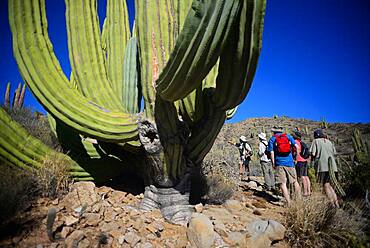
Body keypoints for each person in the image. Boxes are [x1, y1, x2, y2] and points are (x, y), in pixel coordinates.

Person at [267, 126, 301, 205]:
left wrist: (273, 163)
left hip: (279, 163)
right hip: (290, 163)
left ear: (274, 132)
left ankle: (289, 202)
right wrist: (296, 158)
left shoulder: (272, 139)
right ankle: (299, 201)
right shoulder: (288, 137)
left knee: (282, 183)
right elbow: (297, 147)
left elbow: (271, 152)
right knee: (295, 182)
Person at [310, 129, 340, 207]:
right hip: (333, 166)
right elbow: (334, 153)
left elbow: (313, 153)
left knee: (326, 185)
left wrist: (312, 162)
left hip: (323, 166)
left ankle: (331, 204)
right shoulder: (329, 142)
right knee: (330, 185)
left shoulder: (316, 141)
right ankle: (336, 203)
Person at [292, 131, 311, 196]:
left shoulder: (295, 142)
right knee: (306, 176)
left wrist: (295, 158)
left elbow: (298, 150)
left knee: (301, 177)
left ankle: (305, 192)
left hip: (299, 160)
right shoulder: (301, 142)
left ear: (296, 136)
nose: (292, 135)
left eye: (293, 134)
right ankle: (308, 191)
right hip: (304, 160)